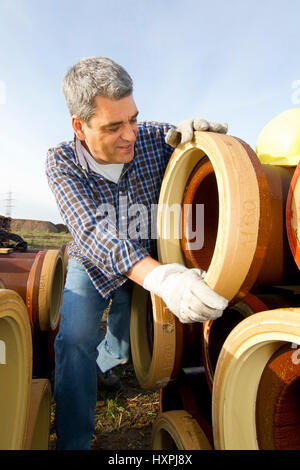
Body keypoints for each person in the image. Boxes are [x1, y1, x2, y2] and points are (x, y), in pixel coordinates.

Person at [46, 56, 229, 450]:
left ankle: (107, 363)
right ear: (79, 127)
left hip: (147, 251)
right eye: (114, 127)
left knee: (127, 340)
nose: (130, 134)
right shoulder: (61, 161)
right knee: (76, 336)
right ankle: (74, 441)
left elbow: (205, 163)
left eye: (132, 118)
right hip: (92, 259)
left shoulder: (153, 137)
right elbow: (92, 230)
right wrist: (163, 279)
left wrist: (206, 142)